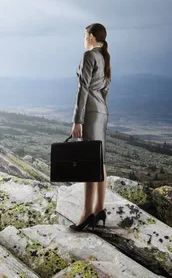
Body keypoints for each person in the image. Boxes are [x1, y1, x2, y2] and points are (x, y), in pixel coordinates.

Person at [69, 23, 111, 232]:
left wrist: (78, 119)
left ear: (92, 37)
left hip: (90, 113)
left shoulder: (89, 56)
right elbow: (104, 89)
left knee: (89, 162)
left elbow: (82, 88)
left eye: (85, 35)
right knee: (99, 160)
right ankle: (99, 209)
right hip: (102, 112)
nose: (84, 39)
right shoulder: (103, 57)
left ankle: (87, 213)